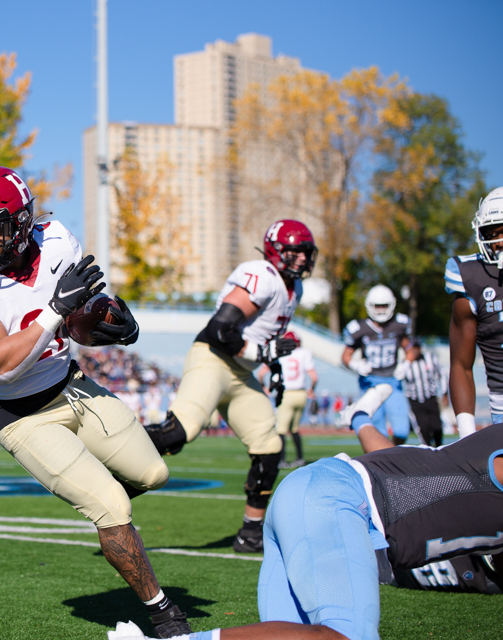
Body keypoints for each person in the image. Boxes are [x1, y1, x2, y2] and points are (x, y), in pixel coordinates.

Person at [0, 166, 190, 638]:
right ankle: (164, 614)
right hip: (20, 415)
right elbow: (1, 363)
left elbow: (80, 319)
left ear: (23, 224)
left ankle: (100, 492)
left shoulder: (57, 241)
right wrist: (57, 310)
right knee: (112, 506)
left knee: (154, 474)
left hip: (71, 385)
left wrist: (110, 321)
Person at [109, 385, 503, 640]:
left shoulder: (468, 464)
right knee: (348, 635)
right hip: (338, 502)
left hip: (313, 494)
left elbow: (401, 464)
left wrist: (361, 420)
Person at [146, 219, 318, 553]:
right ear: (276, 251)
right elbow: (219, 330)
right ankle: (114, 448)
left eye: (305, 252)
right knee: (181, 432)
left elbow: (260, 336)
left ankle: (250, 533)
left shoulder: (293, 288)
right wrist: (264, 353)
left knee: (270, 448)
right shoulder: (262, 276)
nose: (301, 259)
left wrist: (273, 363)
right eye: (295, 251)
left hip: (241, 373)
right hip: (212, 359)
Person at [445, 186, 503, 437]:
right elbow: (461, 365)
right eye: (494, 232)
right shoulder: (471, 277)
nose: (500, 241)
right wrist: (467, 435)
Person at [340, 284, 412, 444]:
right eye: (377, 306)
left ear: (391, 305)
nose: (380, 310)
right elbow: (345, 355)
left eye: (384, 305)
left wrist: (406, 363)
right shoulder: (358, 328)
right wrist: (355, 365)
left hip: (393, 380)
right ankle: (385, 460)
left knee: (402, 430)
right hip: (370, 382)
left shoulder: (399, 324)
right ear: (369, 306)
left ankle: (392, 452)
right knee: (378, 430)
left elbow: (411, 349)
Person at [258, 331, 317, 468]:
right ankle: (300, 458)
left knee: (281, 430)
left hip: (285, 393)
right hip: (301, 394)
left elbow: (261, 374)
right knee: (295, 429)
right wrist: (311, 389)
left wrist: (265, 387)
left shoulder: (280, 353)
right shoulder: (304, 353)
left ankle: (282, 460)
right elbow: (314, 377)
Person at [394, 339, 447, 446]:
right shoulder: (404, 363)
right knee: (423, 428)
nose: (415, 351)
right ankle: (427, 451)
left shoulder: (430, 358)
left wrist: (445, 393)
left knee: (437, 427)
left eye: (417, 347)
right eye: (413, 348)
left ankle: (439, 447)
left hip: (430, 398)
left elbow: (442, 375)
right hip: (415, 401)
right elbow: (397, 379)